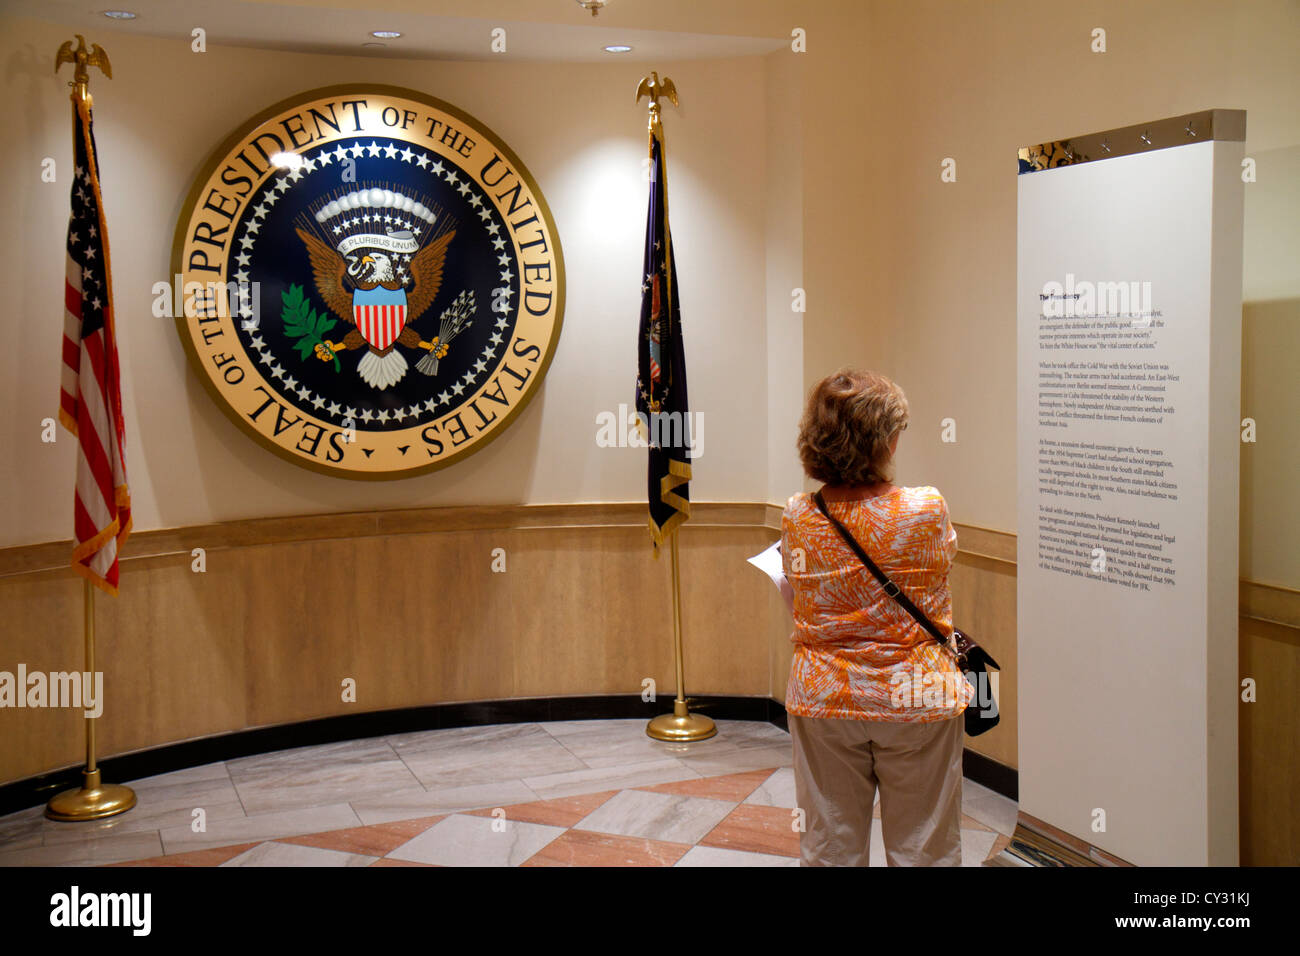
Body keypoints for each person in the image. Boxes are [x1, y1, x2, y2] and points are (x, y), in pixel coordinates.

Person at [781, 368, 973, 866]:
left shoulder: (799, 514)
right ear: (883, 438)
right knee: (925, 848)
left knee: (829, 846)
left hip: (826, 695)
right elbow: (938, 568)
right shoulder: (927, 509)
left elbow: (799, 595)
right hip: (918, 698)